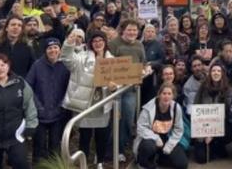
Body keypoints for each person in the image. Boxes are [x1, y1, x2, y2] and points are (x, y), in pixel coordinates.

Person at [61, 31, 117, 169]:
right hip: (86, 103)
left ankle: (100, 162)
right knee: (85, 136)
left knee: (102, 135)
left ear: (105, 42)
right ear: (91, 43)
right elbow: (67, 59)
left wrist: (113, 87)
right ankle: (83, 163)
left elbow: (119, 81)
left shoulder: (113, 59)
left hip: (103, 104)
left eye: (100, 40)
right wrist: (69, 44)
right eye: (94, 41)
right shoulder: (82, 57)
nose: (98, 43)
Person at [25, 37, 70, 164]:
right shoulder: (37, 65)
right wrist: (38, 106)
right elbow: (28, 86)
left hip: (58, 112)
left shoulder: (65, 65)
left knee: (55, 143)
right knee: (39, 144)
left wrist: (62, 104)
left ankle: (55, 165)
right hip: (40, 112)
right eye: (50, 48)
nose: (53, 50)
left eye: (56, 47)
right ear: (45, 50)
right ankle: (39, 165)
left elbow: (69, 88)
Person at [109, 19, 146, 161]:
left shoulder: (139, 45)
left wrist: (144, 70)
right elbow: (108, 66)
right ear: (123, 30)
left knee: (128, 119)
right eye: (129, 30)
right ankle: (110, 149)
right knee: (115, 120)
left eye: (135, 30)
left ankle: (120, 148)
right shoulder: (113, 44)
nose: (132, 33)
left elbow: (143, 63)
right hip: (115, 90)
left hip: (131, 89)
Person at [134, 83, 189, 169]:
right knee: (148, 147)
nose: (166, 96)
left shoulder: (176, 108)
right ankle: (143, 162)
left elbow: (178, 129)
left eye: (169, 94)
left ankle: (160, 158)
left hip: (167, 139)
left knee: (182, 164)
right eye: (164, 93)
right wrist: (155, 138)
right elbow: (141, 128)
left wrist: (170, 145)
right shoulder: (148, 108)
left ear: (173, 96)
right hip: (150, 140)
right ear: (159, 94)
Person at [193, 63, 232, 163]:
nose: (216, 73)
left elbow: (227, 112)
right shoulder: (203, 87)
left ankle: (217, 144)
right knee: (201, 159)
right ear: (210, 73)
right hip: (203, 125)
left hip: (220, 124)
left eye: (219, 71)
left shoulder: (228, 89)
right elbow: (196, 106)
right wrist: (203, 133)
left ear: (222, 74)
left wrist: (213, 134)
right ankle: (209, 146)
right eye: (213, 71)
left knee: (229, 132)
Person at [142, 24, 165, 104]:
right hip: (140, 77)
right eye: (148, 31)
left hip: (152, 78)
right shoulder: (140, 45)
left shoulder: (159, 45)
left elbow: (162, 60)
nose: (150, 33)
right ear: (144, 33)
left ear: (155, 34)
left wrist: (151, 64)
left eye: (152, 32)